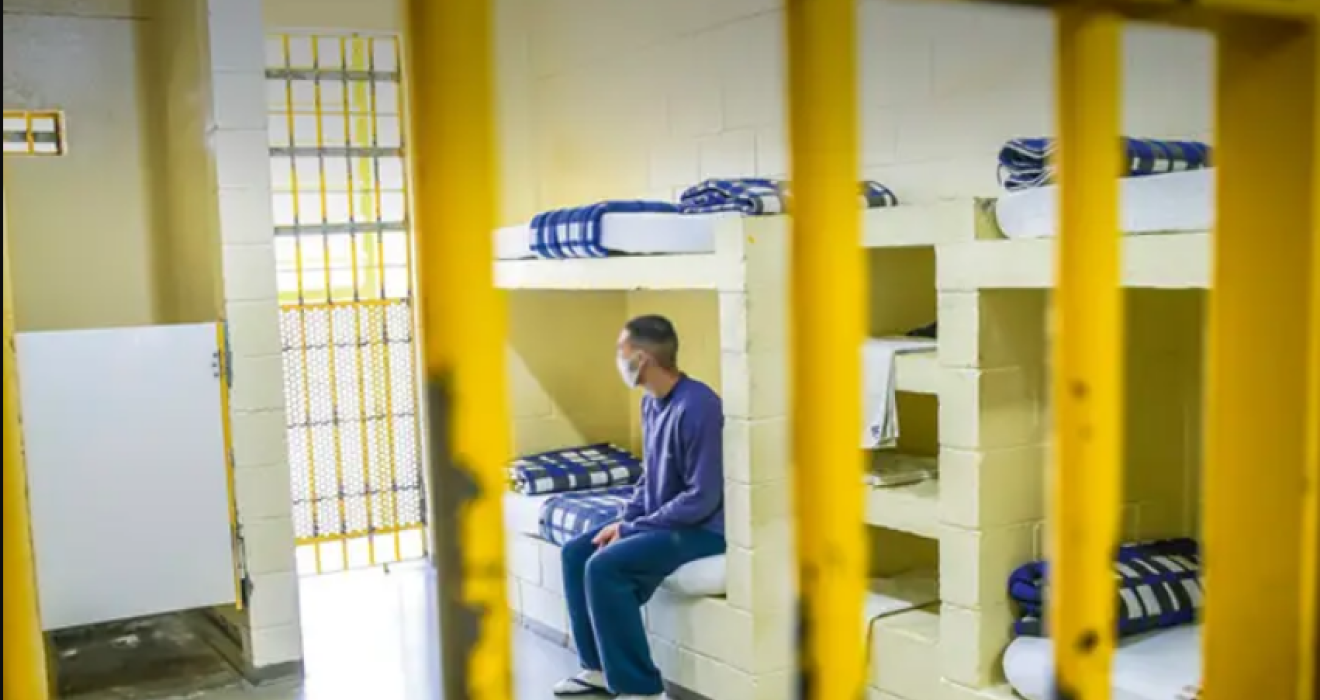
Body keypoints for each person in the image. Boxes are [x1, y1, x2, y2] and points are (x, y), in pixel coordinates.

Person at [552, 315, 726, 700]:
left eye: (621, 351)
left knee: (605, 567)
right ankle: (596, 667)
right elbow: (649, 479)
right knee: (577, 552)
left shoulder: (700, 407)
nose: (617, 358)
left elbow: (703, 498)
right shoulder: (652, 404)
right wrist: (626, 519)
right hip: (669, 522)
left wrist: (632, 530)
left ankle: (642, 690)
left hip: (704, 529)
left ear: (643, 359)